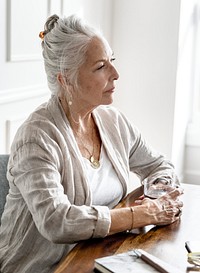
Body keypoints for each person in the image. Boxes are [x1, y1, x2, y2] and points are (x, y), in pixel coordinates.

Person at [0, 14, 183, 273]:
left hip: (98, 256)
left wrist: (158, 193)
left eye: (112, 61)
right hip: (44, 267)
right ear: (65, 80)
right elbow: (57, 220)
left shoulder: (112, 120)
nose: (116, 74)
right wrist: (145, 214)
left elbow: (159, 165)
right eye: (100, 67)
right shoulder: (35, 138)